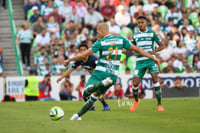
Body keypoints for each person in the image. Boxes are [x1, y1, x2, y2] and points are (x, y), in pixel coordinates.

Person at [63, 22, 159, 120]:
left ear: (102, 30)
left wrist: (69, 60)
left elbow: (83, 55)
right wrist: (152, 57)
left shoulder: (100, 42)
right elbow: (137, 49)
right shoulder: (121, 39)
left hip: (100, 72)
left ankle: (101, 83)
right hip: (112, 76)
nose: (97, 35)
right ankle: (77, 116)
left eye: (97, 32)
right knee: (95, 97)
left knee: (85, 94)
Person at [57, 44, 111, 111]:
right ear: (79, 51)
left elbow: (101, 67)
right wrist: (61, 77)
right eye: (81, 50)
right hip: (93, 77)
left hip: (99, 76)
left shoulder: (93, 59)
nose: (82, 51)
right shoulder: (79, 60)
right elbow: (70, 70)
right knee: (87, 93)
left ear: (87, 51)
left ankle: (104, 106)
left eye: (84, 50)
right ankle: (94, 107)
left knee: (93, 92)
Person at [130, 16, 165, 112]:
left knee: (155, 80)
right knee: (135, 83)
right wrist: (121, 50)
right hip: (140, 61)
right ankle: (136, 100)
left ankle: (159, 104)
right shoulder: (135, 35)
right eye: (138, 23)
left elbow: (162, 46)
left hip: (151, 60)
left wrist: (153, 52)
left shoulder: (152, 33)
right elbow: (131, 49)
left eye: (142, 22)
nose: (140, 24)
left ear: (146, 23)